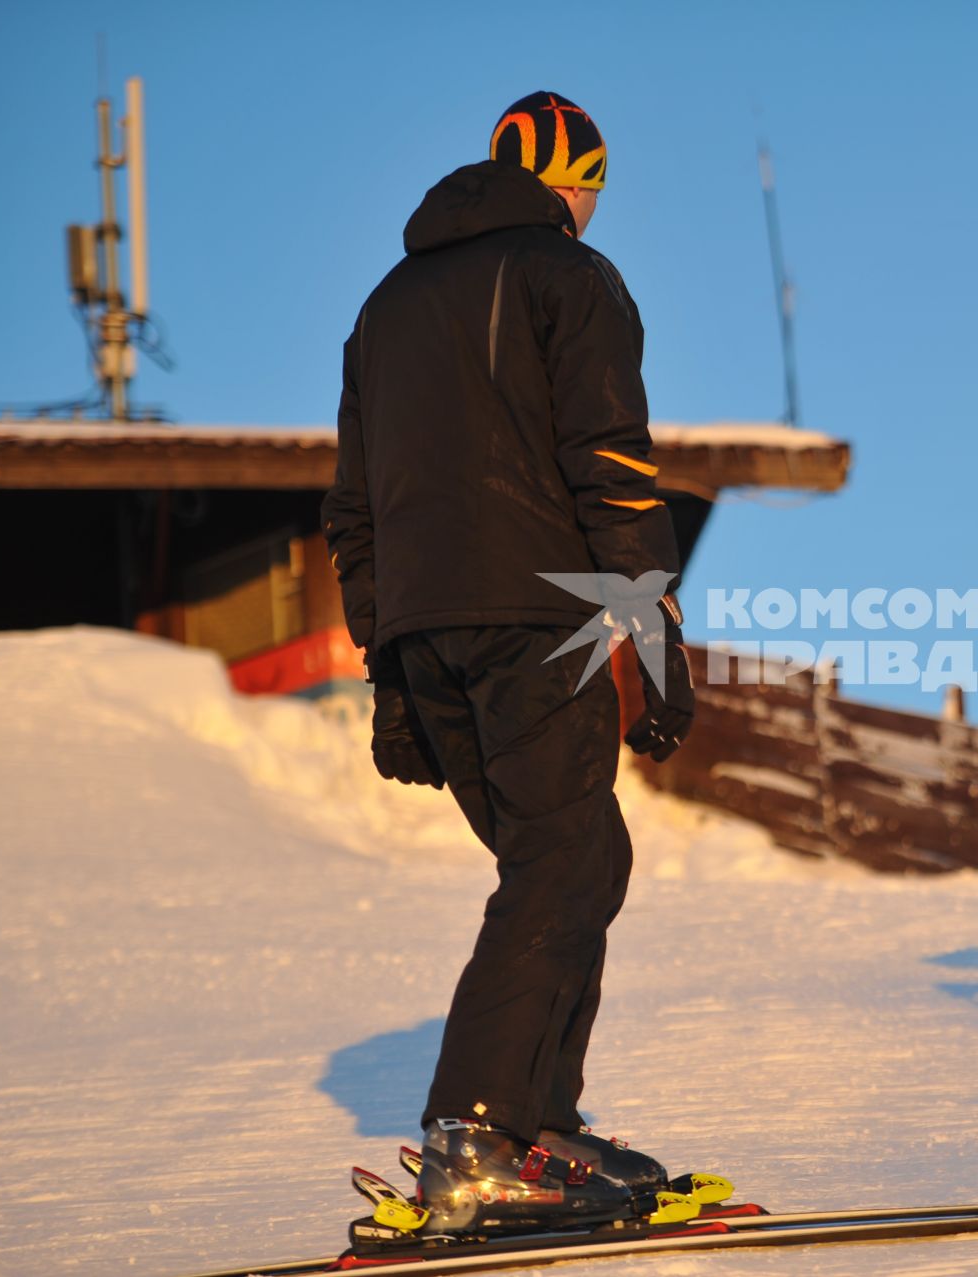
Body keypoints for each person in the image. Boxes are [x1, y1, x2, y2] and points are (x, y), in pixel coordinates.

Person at [323, 89, 695, 1233]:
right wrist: (655, 641)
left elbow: (356, 509)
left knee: (580, 854)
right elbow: (613, 470)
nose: (588, 208)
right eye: (591, 188)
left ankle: (538, 1124)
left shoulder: (384, 308)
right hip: (539, 618)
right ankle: (479, 1135)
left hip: (432, 635)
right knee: (560, 861)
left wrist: (391, 671)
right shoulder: (570, 278)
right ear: (572, 183)